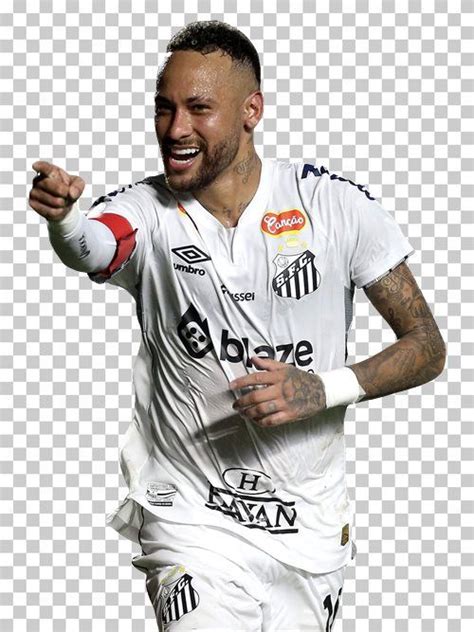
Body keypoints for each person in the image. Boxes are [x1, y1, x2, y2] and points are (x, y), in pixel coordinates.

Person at [28, 20, 445, 632]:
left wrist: (323, 389)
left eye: (199, 109)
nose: (176, 128)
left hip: (309, 529)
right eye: (164, 108)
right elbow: (97, 244)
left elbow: (427, 346)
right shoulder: (147, 210)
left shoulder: (333, 206)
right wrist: (65, 221)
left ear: (252, 111)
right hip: (191, 518)